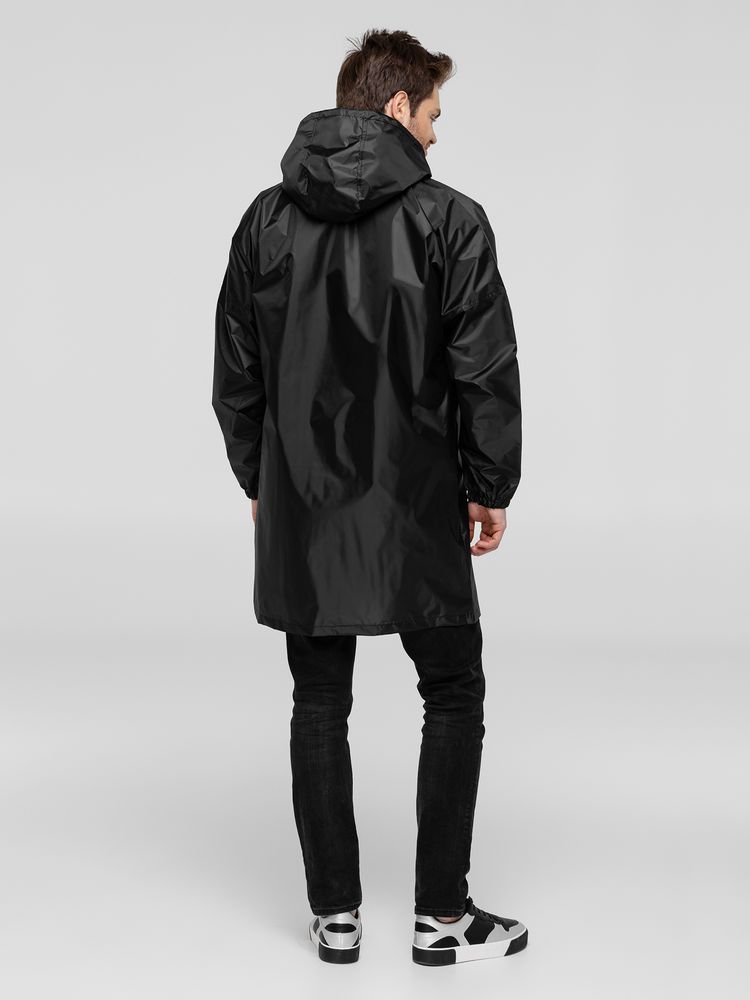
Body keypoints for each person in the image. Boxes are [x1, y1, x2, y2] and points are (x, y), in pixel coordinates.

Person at [212, 28, 527, 966]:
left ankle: (335, 917)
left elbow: (236, 374)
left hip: (305, 507)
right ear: (396, 106)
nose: (435, 133)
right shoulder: (450, 220)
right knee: (453, 689)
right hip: (417, 502)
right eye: (432, 114)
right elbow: (484, 368)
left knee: (319, 699)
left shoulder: (266, 221)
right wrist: (490, 483)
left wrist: (260, 478)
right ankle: (442, 918)